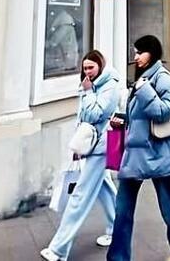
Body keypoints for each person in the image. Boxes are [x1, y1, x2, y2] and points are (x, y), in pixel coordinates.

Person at [107, 36, 170, 261]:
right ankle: (118, 257)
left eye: (140, 52)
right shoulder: (144, 78)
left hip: (157, 153)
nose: (136, 57)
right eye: (135, 52)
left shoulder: (163, 78)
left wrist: (144, 90)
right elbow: (141, 117)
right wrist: (122, 119)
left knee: (169, 204)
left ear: (152, 52)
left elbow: (164, 111)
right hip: (135, 153)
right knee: (123, 209)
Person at [40, 50, 121, 260]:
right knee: (105, 189)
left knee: (80, 196)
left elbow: (95, 114)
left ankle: (59, 249)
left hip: (104, 145)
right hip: (94, 144)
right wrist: (79, 147)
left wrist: (87, 92)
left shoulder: (109, 86)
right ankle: (117, 229)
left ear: (100, 65)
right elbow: (83, 117)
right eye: (84, 68)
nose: (87, 72)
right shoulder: (93, 85)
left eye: (91, 67)